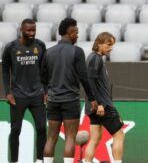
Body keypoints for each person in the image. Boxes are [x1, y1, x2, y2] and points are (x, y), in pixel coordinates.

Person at [41, 18, 98, 163]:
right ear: (70, 32)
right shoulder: (77, 52)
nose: (77, 36)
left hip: (53, 101)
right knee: (70, 138)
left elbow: (42, 78)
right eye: (76, 33)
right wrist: (92, 98)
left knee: (51, 138)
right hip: (70, 101)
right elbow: (84, 77)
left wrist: (46, 92)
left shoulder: (48, 52)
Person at [2, 19, 47, 163]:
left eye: (34, 30)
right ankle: (14, 161)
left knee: (41, 129)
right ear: (21, 30)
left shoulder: (40, 45)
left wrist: (45, 90)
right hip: (18, 95)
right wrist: (8, 92)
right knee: (15, 130)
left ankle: (40, 160)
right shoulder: (11, 47)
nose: (32, 33)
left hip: (37, 95)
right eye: (28, 30)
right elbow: (4, 71)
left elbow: (44, 69)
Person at [84, 32, 125, 163]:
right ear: (99, 43)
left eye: (112, 45)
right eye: (108, 44)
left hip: (94, 107)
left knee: (95, 139)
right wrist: (100, 103)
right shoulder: (95, 58)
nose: (111, 48)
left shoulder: (93, 58)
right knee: (119, 135)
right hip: (103, 106)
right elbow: (90, 82)